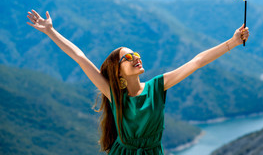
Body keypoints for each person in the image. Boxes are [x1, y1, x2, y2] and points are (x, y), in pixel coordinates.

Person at [27, 9, 249, 155]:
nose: (136, 58)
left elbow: (197, 61)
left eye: (136, 54)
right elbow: (80, 57)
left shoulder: (156, 87)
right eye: (128, 57)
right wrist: (50, 31)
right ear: (118, 72)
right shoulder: (115, 95)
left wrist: (233, 42)